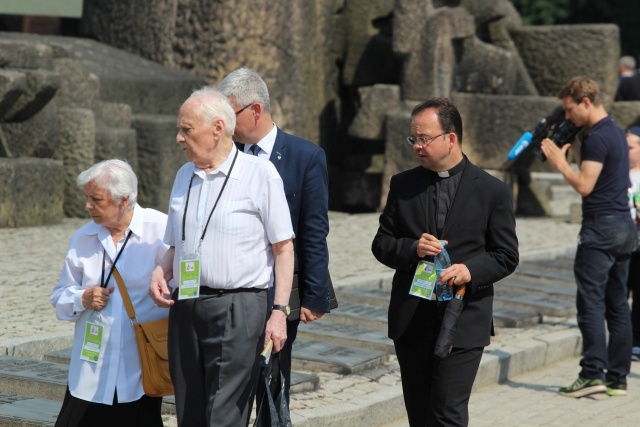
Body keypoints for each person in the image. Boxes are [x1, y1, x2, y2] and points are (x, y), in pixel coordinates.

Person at [148, 88, 295, 427]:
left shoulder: (260, 175)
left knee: (224, 413)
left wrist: (278, 312)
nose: (179, 138)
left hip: (238, 306)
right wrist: (161, 269)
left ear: (217, 128)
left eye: (186, 129)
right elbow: (176, 243)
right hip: (186, 303)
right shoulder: (184, 175)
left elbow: (284, 249)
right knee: (190, 410)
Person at [371, 98, 519, 426]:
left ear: (450, 138)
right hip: (413, 317)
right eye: (413, 139)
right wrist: (412, 248)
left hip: (463, 319)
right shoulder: (403, 184)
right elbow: (381, 244)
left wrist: (470, 270)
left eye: (424, 138)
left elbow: (506, 255)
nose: (417, 146)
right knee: (420, 414)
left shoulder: (492, 191)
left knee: (447, 413)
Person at [216, 67, 331, 403]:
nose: (223, 123)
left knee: (271, 375)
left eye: (229, 114)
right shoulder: (224, 156)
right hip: (233, 283)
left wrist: (314, 293)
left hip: (278, 286)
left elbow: (313, 229)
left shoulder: (304, 156)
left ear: (255, 110)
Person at [50, 159, 169, 427]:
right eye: (87, 198)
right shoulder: (83, 238)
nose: (87, 206)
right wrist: (82, 298)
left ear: (123, 200)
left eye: (96, 199)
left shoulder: (160, 230)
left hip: (139, 369)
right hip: (90, 372)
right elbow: (59, 296)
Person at [541, 76, 636, 398]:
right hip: (624, 226)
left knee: (591, 304)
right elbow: (594, 169)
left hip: (601, 228)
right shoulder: (614, 133)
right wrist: (574, 146)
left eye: (570, 110)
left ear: (585, 102)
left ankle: (592, 372)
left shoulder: (598, 137)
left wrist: (558, 162)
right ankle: (618, 379)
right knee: (618, 304)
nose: (567, 117)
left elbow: (585, 185)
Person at [627, 125, 640, 362]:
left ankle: (636, 341)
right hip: (619, 243)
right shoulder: (615, 172)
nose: (626, 151)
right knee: (618, 293)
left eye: (631, 147)